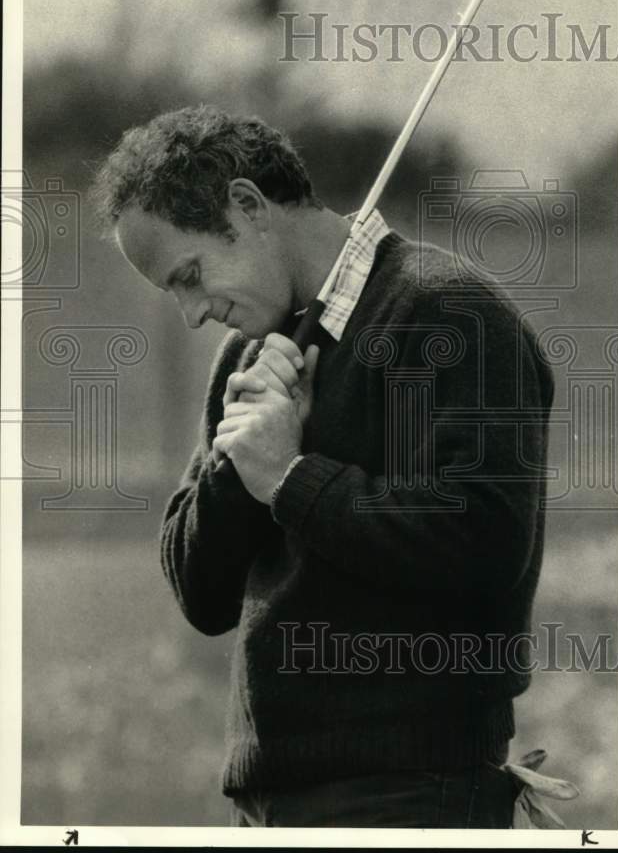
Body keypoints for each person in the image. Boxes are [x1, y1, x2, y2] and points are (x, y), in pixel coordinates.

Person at [96, 103, 555, 828]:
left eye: (190, 275)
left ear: (246, 206)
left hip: (407, 791)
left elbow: (484, 544)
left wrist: (289, 477)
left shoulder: (443, 314)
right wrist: (237, 468)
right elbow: (200, 593)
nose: (190, 313)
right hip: (269, 797)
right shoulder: (248, 359)